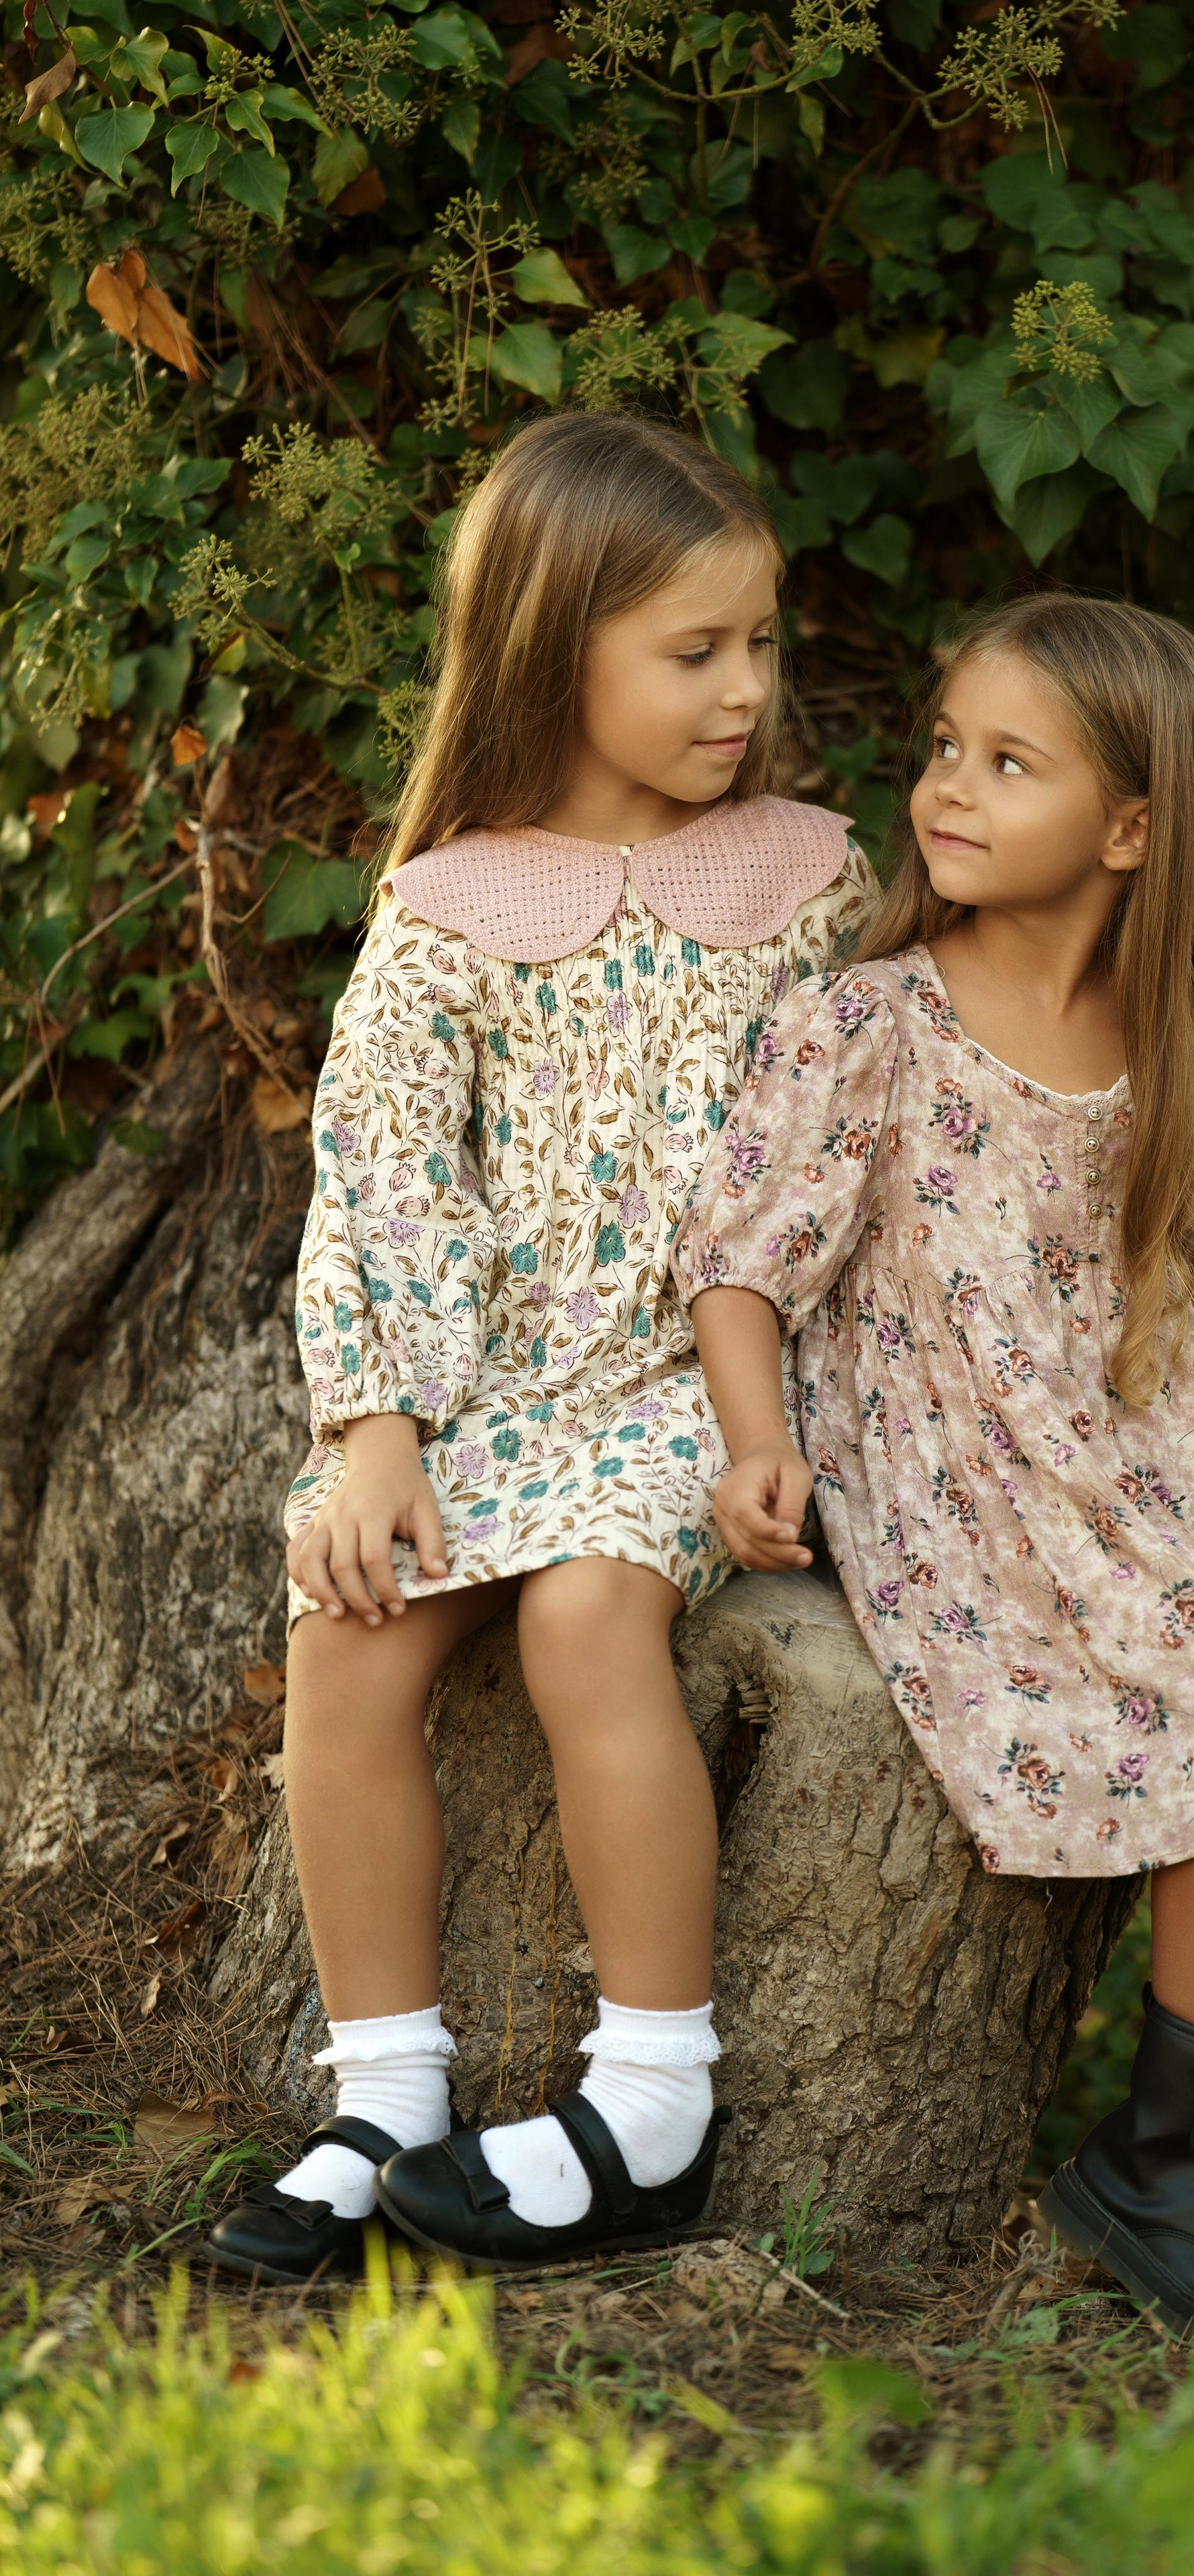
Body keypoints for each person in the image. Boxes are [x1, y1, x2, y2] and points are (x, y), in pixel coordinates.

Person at [671, 592, 1194, 2341]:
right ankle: (1155, 2166)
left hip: (1150, 1500)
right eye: (948, 748)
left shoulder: (1158, 1050)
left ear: (1130, 831)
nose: (949, 788)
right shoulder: (873, 1027)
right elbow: (741, 1256)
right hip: (974, 1502)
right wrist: (756, 1445)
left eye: (1008, 763)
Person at [205, 413, 875, 2285]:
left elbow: (854, 1152)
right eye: (694, 651)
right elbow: (394, 1178)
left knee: (589, 1618)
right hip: (503, 1387)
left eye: (759, 641)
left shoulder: (808, 880)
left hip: (703, 1382)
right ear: (553, 645)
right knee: (346, 1639)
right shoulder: (446, 914)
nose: (745, 688)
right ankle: (385, 2098)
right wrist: (381, 1430)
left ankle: (653, 2087)